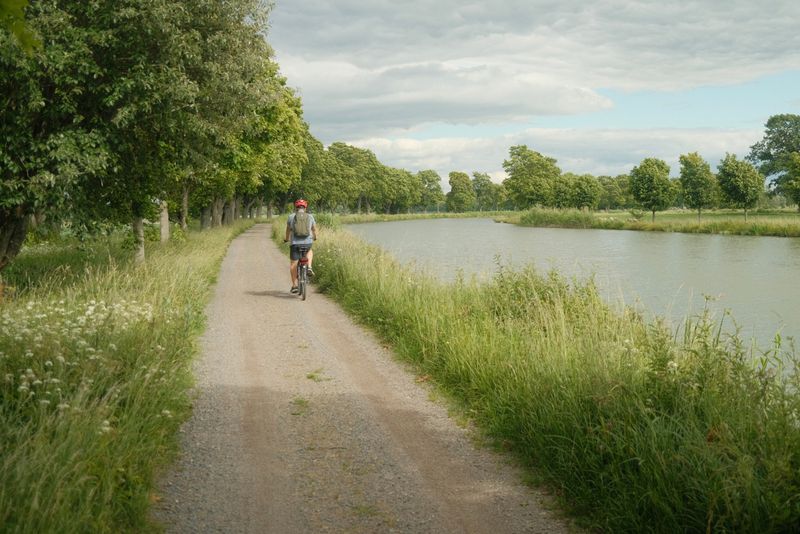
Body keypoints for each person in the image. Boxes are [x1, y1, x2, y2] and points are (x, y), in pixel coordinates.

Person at [283, 199, 317, 294]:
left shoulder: (291, 217)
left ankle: (294, 285)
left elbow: (288, 231)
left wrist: (286, 239)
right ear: (305, 208)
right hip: (307, 243)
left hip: (294, 244)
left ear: (295, 207)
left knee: (293, 263)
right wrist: (315, 237)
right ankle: (309, 267)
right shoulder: (310, 216)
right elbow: (314, 229)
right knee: (310, 251)